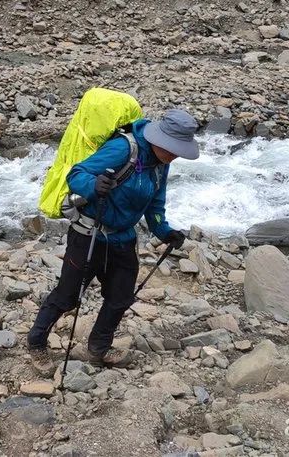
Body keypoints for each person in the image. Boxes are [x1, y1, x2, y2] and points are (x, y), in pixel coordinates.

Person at [27, 109, 200, 374]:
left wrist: (164, 231)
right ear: (159, 140)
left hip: (123, 238)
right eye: (174, 148)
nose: (176, 154)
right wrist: (93, 185)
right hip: (89, 234)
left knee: (120, 297)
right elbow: (77, 174)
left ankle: (99, 348)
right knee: (68, 296)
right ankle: (36, 342)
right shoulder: (123, 148)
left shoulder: (161, 165)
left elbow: (155, 203)